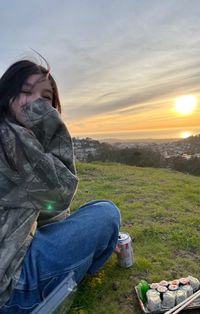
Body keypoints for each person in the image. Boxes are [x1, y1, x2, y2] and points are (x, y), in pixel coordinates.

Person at [0, 59, 121, 313]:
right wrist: (47, 122)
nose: (35, 103)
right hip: (11, 288)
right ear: (6, 94)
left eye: (45, 98)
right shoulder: (10, 138)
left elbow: (48, 211)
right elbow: (61, 193)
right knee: (105, 213)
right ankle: (78, 273)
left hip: (11, 264)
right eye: (25, 91)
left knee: (92, 212)